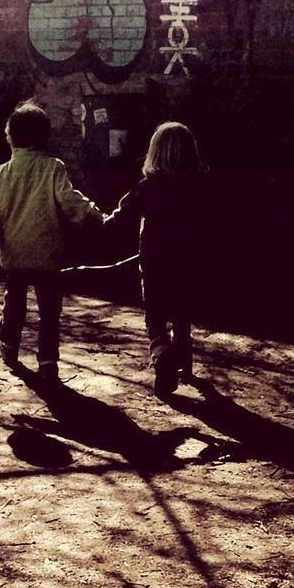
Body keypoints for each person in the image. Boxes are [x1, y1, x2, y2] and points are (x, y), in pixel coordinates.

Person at [0, 102, 102, 386]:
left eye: (6, 132)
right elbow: (69, 200)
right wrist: (94, 215)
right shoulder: (53, 168)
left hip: (15, 256)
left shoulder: (1, 174)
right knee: (50, 312)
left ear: (13, 137)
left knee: (13, 305)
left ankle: (9, 345)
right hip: (48, 255)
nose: (5, 137)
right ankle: (48, 361)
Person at [100, 121, 205, 398]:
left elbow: (121, 217)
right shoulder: (198, 186)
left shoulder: (148, 187)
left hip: (154, 261)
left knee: (155, 316)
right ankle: (184, 360)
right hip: (188, 259)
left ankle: (161, 355)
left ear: (154, 153)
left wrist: (101, 221)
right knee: (182, 312)